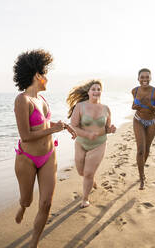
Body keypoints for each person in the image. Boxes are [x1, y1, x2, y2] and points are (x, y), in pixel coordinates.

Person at [13, 49, 76, 248]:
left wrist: (61, 126)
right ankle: (22, 206)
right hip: (27, 159)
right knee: (28, 200)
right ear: (37, 75)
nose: (47, 79)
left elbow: (45, 126)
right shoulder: (22, 100)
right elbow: (25, 136)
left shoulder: (42, 100)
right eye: (45, 74)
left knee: (46, 203)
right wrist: (52, 130)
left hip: (49, 156)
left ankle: (33, 244)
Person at [67, 80, 116, 208]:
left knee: (88, 173)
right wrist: (87, 135)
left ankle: (85, 199)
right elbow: (74, 126)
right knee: (81, 171)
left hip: (98, 144)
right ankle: (91, 180)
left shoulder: (106, 109)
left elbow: (107, 128)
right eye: (93, 89)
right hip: (81, 143)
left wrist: (110, 130)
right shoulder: (80, 106)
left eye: (98, 89)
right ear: (88, 92)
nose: (96, 91)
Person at [131, 68, 155, 190]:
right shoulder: (134, 91)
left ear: (150, 78)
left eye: (147, 77)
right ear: (138, 78)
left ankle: (141, 168)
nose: (144, 79)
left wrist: (152, 107)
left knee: (146, 149)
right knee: (140, 150)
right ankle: (141, 177)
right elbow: (133, 105)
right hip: (138, 120)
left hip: (151, 122)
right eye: (142, 77)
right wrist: (135, 106)